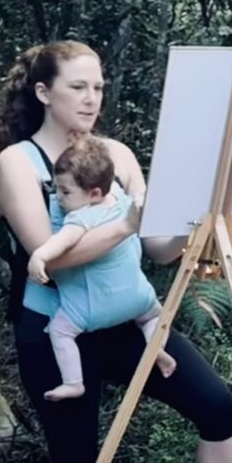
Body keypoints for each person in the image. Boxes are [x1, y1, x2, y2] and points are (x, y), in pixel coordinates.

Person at [0, 40, 232, 463]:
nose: (91, 98)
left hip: (128, 319)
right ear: (44, 92)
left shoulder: (116, 154)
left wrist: (199, 226)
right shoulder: (17, 163)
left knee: (215, 406)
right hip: (59, 330)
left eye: (98, 87)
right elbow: (49, 256)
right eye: (78, 86)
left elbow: (155, 245)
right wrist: (127, 221)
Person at [27, 135, 176, 402]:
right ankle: (156, 349)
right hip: (138, 299)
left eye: (65, 191)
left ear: (94, 193)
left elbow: (61, 243)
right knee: (156, 317)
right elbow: (143, 203)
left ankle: (73, 383)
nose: (58, 197)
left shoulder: (80, 216)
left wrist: (39, 256)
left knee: (61, 332)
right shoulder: (121, 201)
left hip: (93, 308)